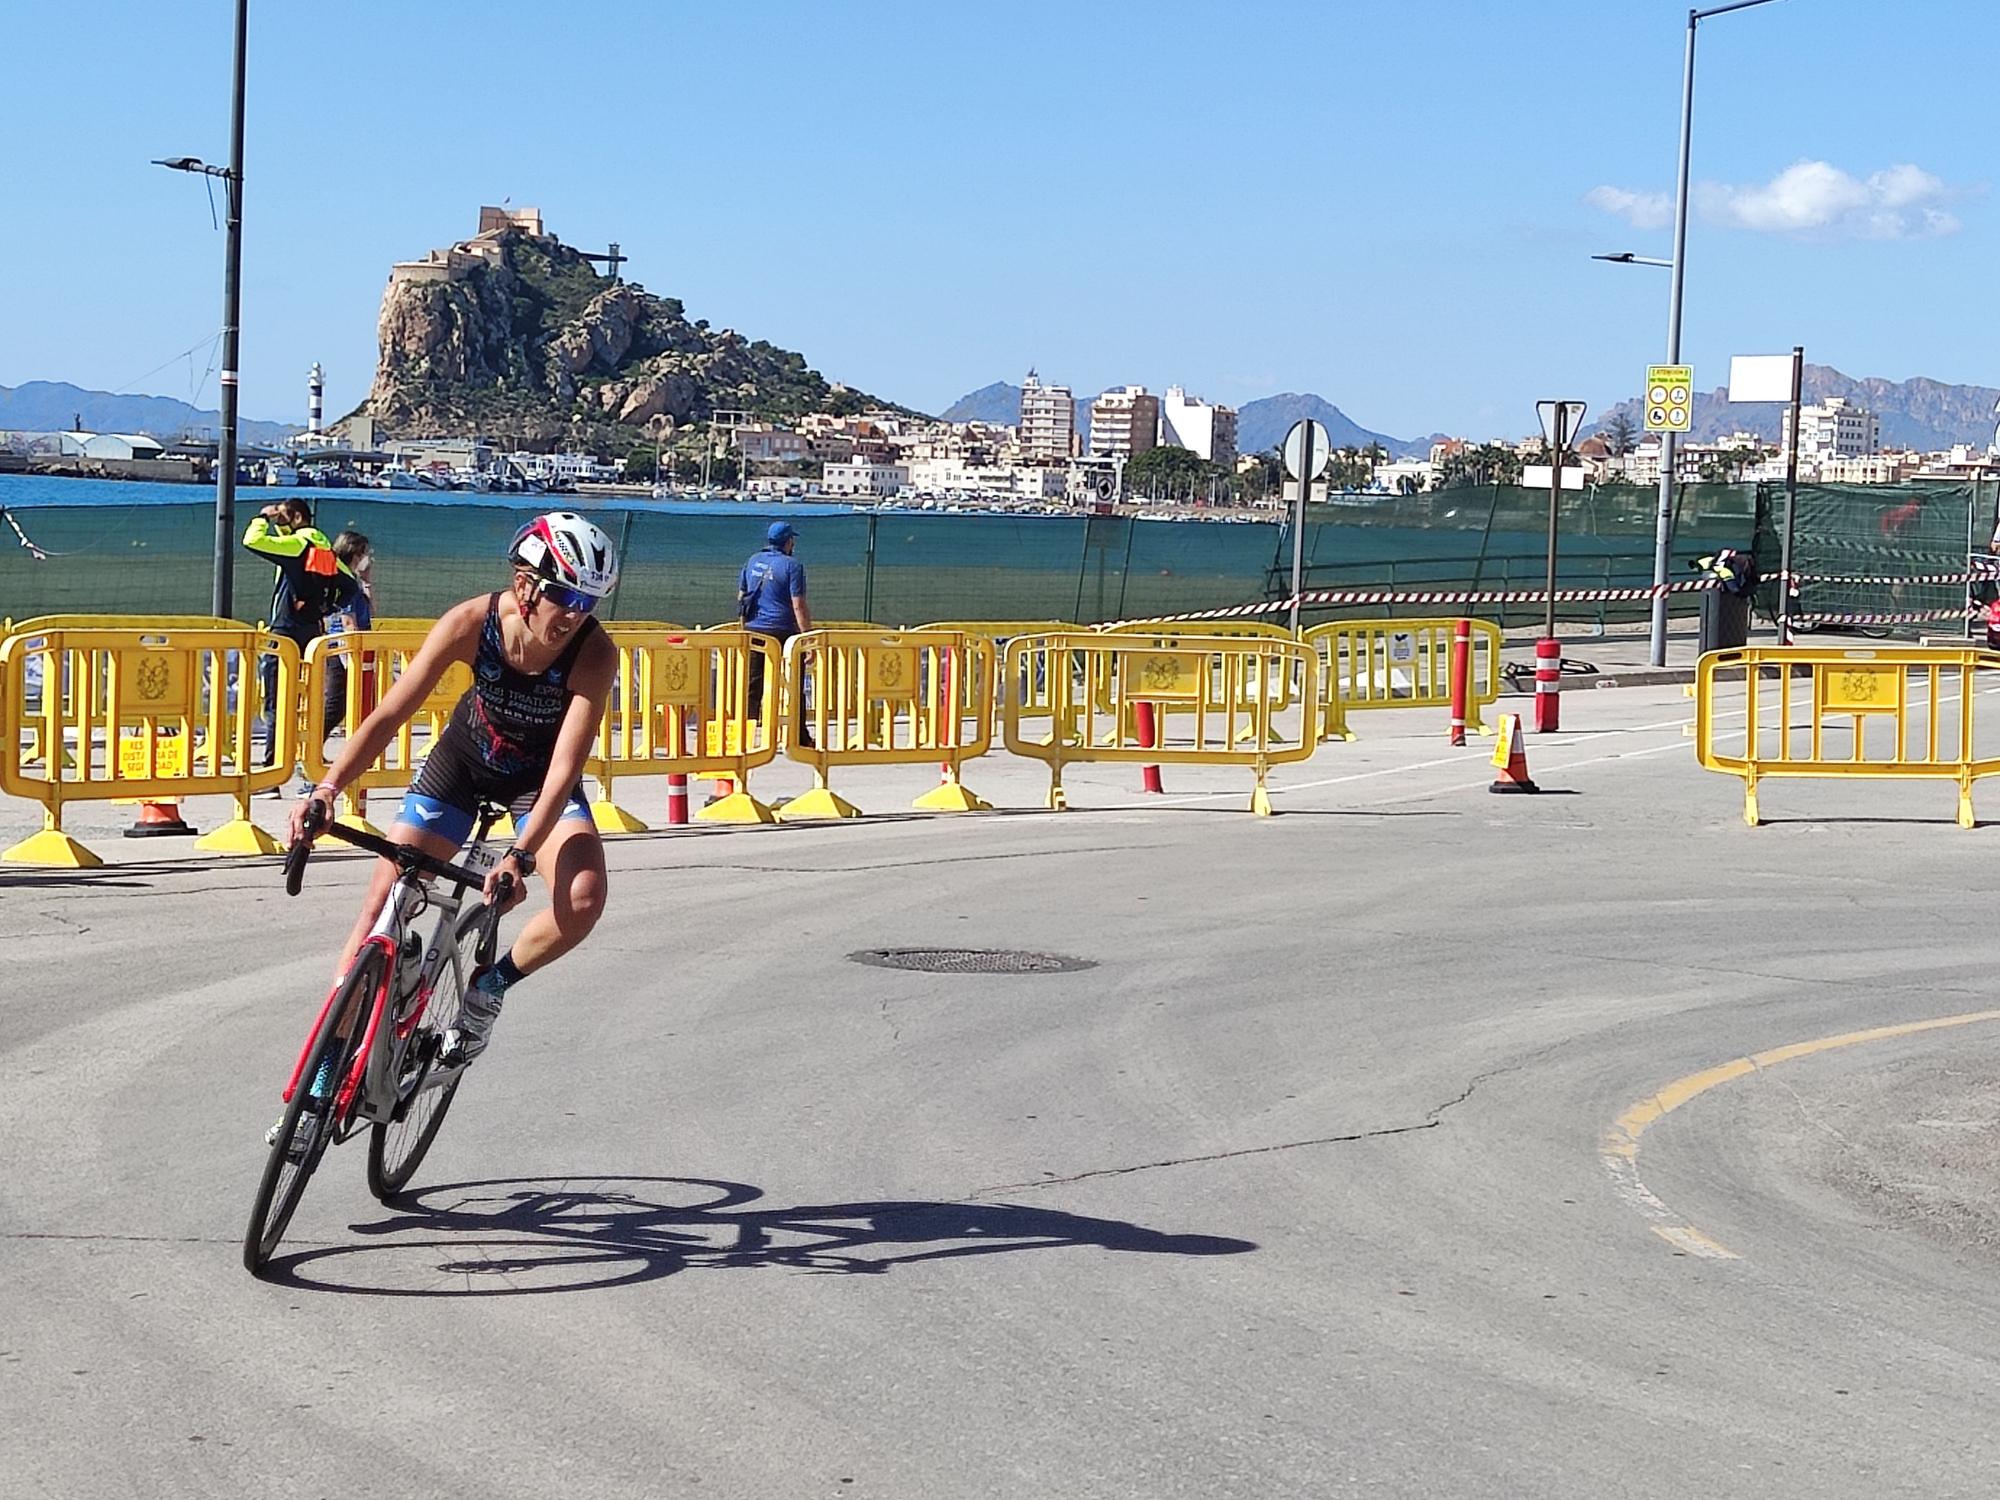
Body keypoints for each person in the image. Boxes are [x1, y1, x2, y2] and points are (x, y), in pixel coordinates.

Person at [287, 510, 620, 1082]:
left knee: (585, 897)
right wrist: (327, 790)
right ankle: (326, 1070)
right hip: (463, 764)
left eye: (588, 601)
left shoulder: (594, 652)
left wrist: (520, 854)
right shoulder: (472, 621)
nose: (573, 613)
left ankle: (487, 988)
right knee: (381, 906)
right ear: (525, 583)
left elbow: (567, 763)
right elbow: (391, 713)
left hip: (537, 782)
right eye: (564, 594)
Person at [242, 497, 357, 762]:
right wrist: (327, 608)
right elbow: (350, 584)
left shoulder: (296, 545)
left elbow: (252, 540)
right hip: (312, 631)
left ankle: (273, 766)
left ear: (296, 518)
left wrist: (262, 518)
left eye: (282, 516)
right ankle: (305, 759)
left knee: (276, 699)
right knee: (308, 699)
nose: (277, 520)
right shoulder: (322, 546)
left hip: (285, 631)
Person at [737, 520, 813, 745]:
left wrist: (744, 627)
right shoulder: (792, 566)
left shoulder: (752, 561)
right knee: (794, 684)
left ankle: (746, 735)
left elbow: (742, 596)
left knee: (753, 683)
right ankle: (800, 736)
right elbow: (798, 604)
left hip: (755, 629)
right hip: (784, 630)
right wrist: (807, 637)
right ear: (789, 541)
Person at [318, 530, 375, 742]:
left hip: (351, 644)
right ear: (354, 554)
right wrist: (356, 650)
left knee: (344, 702)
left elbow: (370, 612)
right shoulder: (343, 581)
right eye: (363, 554)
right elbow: (347, 620)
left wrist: (367, 581)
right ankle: (310, 748)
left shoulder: (354, 581)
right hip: (341, 646)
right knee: (335, 701)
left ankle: (315, 746)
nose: (366, 559)